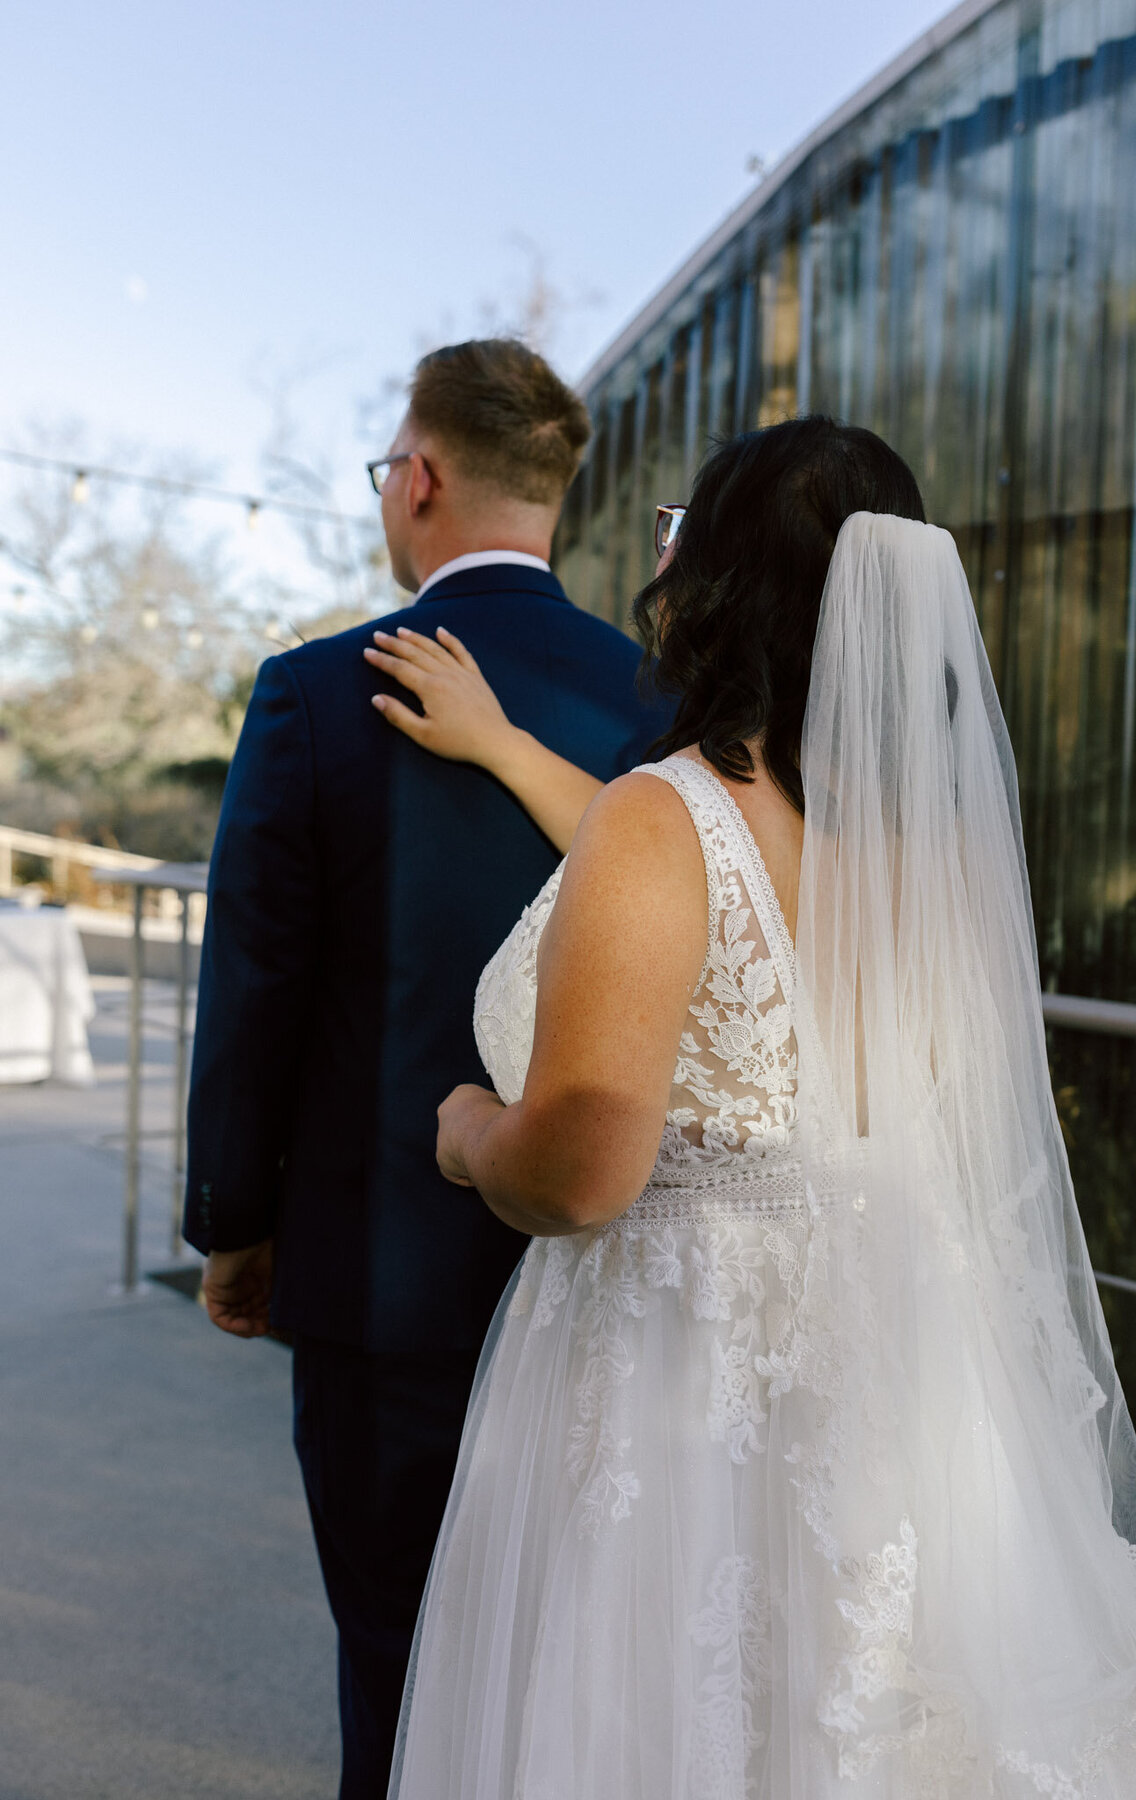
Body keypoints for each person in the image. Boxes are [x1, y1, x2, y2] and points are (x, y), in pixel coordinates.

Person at [368, 416, 1136, 1798]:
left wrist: (465, 1135)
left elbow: (578, 1177)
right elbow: (713, 899)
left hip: (684, 1384)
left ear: (719, 580)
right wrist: (512, 752)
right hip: (910, 1385)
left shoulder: (666, 819)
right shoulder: (925, 853)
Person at [183, 337, 673, 1800]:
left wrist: (235, 1226)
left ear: (424, 478)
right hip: (611, 1277)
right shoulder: (664, 708)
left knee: (393, 1658)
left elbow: (254, 985)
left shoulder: (316, 694)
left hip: (376, 1276)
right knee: (564, 1677)